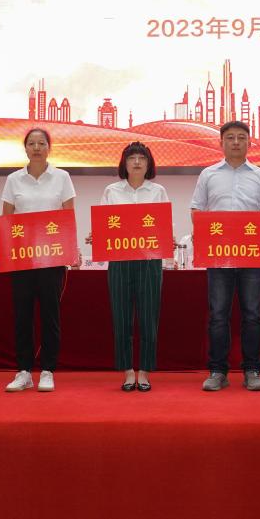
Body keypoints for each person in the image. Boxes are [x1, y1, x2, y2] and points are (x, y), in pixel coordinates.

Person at [191, 121, 260, 391]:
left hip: (251, 256)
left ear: (249, 142)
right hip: (218, 256)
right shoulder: (208, 174)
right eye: (230, 138)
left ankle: (252, 369)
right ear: (221, 143)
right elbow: (197, 210)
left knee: (252, 315)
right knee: (218, 315)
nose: (236, 142)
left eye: (241, 137)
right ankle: (218, 371)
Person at [1, 128, 76, 393]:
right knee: (22, 315)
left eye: (41, 143)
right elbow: (7, 218)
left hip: (51, 257)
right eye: (31, 143)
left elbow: (68, 217)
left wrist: (71, 251)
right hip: (22, 258)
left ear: (49, 148)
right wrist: (5, 254)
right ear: (25, 148)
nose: (36, 148)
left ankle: (47, 370)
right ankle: (23, 371)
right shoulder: (13, 179)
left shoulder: (62, 177)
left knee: (50, 314)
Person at [98, 142, 169, 392]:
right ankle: (128, 370)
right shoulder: (112, 191)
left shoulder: (158, 191)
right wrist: (97, 235)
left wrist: (167, 237)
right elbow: (105, 225)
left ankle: (145, 371)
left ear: (149, 164)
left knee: (149, 317)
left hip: (149, 262)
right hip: (120, 261)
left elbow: (163, 225)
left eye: (142, 158)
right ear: (124, 163)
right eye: (132, 158)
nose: (137, 162)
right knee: (122, 317)